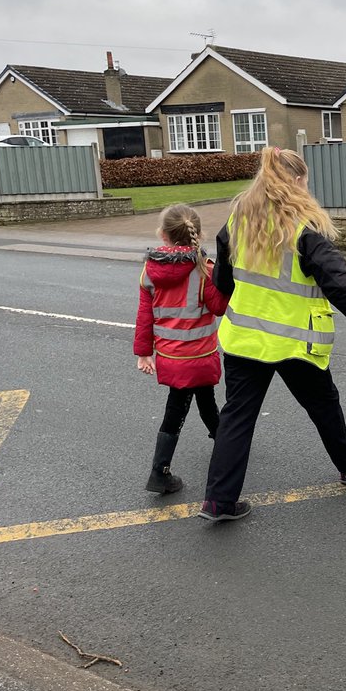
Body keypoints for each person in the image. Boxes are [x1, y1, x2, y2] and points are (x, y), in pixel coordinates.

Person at [198, 147, 346, 523]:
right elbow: (339, 283)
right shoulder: (304, 230)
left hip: (245, 337)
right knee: (323, 405)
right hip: (296, 340)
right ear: (296, 182)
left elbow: (223, 282)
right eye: (305, 181)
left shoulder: (235, 223)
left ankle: (218, 501)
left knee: (237, 417)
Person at [134, 203, 228, 495]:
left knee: (191, 402)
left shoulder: (150, 272)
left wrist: (143, 353)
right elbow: (219, 307)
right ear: (198, 234)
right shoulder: (204, 270)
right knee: (195, 402)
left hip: (171, 357)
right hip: (200, 355)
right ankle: (160, 470)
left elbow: (144, 315)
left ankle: (224, 441)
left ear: (163, 235)